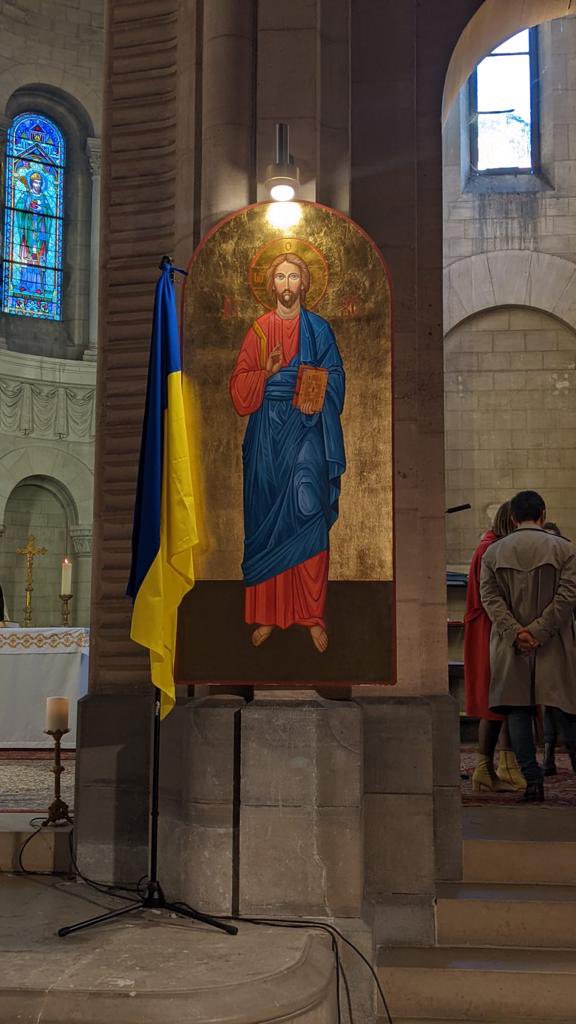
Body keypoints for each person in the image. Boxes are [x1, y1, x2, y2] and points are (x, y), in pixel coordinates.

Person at [229, 252, 346, 652]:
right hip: (266, 432)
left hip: (307, 425)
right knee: (265, 516)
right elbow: (239, 389)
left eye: (294, 276)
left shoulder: (319, 329)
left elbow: (336, 377)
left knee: (308, 505)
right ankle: (268, 616)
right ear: (272, 284)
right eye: (280, 276)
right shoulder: (259, 331)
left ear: (305, 283)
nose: (287, 283)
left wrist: (316, 389)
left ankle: (311, 615)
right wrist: (269, 372)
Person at [480, 490, 576, 801]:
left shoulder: (493, 553)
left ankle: (532, 783)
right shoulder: (565, 550)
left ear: (512, 517)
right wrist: (539, 631)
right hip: (554, 642)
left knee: (518, 710)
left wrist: (516, 632)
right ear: (543, 514)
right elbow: (567, 597)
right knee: (564, 710)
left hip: (512, 645)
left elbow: (489, 598)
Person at [464, 501, 525, 792]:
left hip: (495, 628)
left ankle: (502, 764)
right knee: (494, 698)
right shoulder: (489, 550)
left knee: (504, 698)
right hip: (489, 631)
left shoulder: (493, 546)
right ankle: (485, 768)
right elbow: (491, 597)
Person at [542, 521, 572, 775]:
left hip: (566, 640)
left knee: (564, 704)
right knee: (552, 704)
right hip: (547, 640)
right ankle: (549, 753)